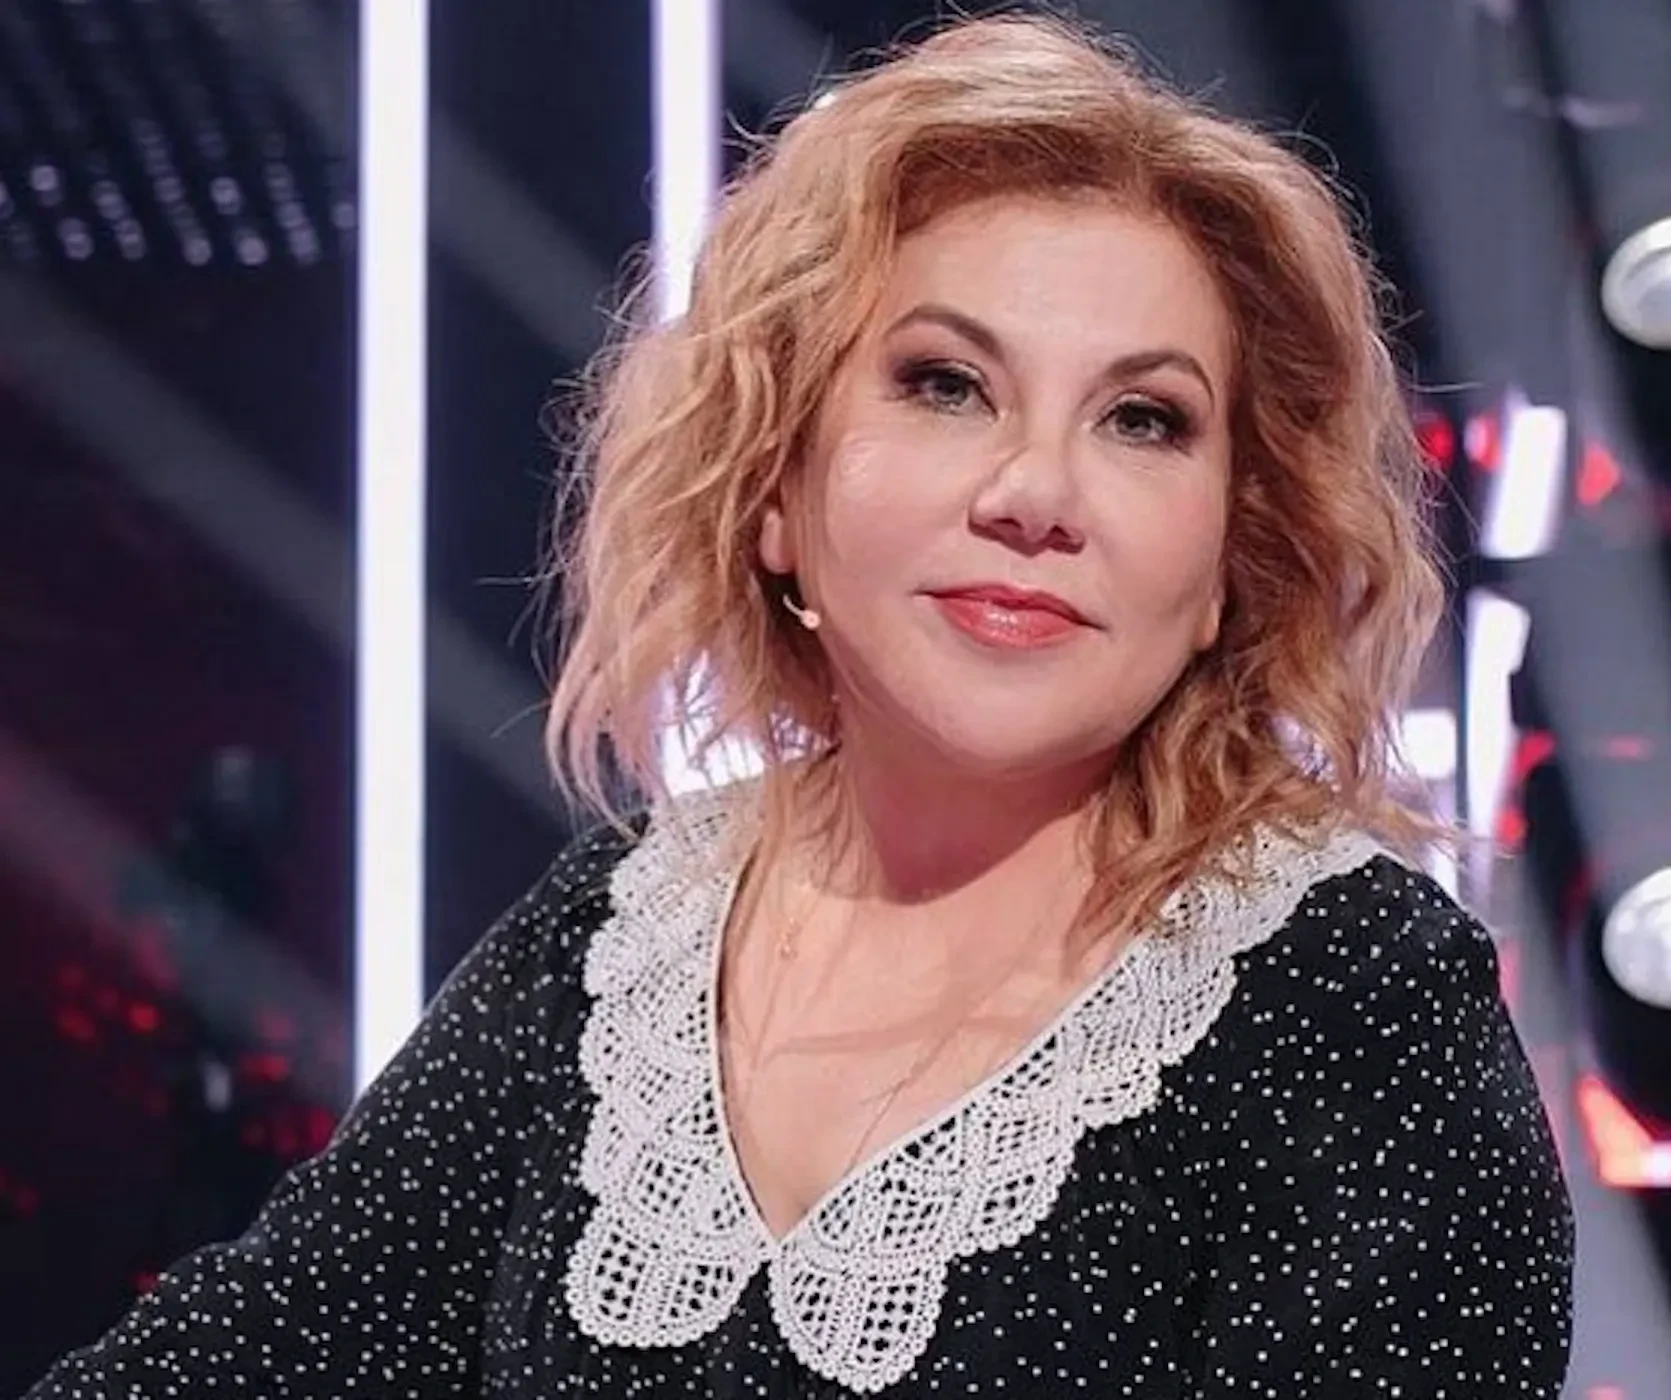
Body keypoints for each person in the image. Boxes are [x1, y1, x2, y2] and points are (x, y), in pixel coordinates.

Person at [29, 12, 1573, 1398]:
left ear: (1232, 557)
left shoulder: (1356, 1000)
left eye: (1142, 419)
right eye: (945, 384)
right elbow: (256, 1352)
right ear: (773, 488)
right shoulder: (617, 929)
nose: (1035, 493)